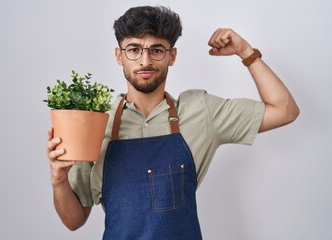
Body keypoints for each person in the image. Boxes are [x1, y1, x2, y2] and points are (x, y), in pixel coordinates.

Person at [46, 5, 299, 239]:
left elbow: (285, 110)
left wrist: (246, 52)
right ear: (119, 56)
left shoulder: (201, 110)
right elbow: (74, 220)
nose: (145, 61)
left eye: (156, 50)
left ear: (172, 56)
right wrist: (59, 180)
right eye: (134, 49)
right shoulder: (95, 120)